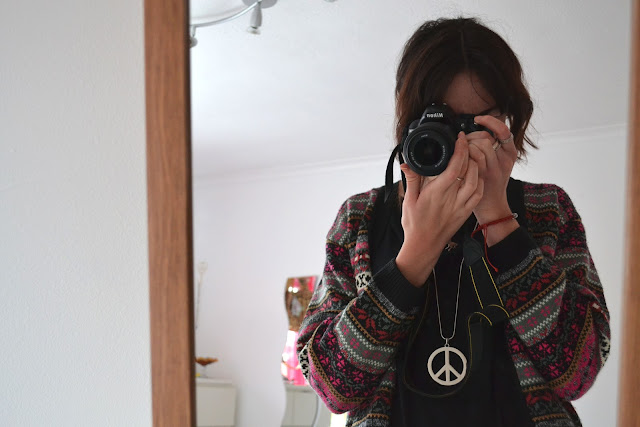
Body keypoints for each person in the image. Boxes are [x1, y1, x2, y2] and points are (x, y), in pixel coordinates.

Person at [296, 16, 610, 427]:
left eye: (474, 125)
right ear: (410, 124)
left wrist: (499, 219)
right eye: (440, 123)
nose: (459, 143)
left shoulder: (547, 209)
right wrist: (414, 255)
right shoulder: (361, 219)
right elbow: (331, 386)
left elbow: (579, 371)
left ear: (506, 121)